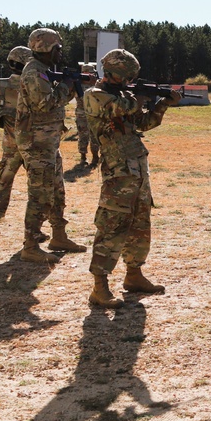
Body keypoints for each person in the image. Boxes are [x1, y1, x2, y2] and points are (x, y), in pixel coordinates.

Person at [84, 48, 183, 309]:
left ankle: (134, 274)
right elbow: (121, 108)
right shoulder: (95, 95)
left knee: (140, 223)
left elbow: (143, 123)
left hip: (137, 169)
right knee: (112, 224)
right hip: (117, 172)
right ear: (116, 74)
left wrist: (163, 104)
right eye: (127, 77)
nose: (129, 82)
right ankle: (99, 286)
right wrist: (140, 96)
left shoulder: (126, 95)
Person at [15, 28, 87, 263]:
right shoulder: (34, 72)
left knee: (56, 191)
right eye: (57, 48)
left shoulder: (44, 71)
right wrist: (67, 86)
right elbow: (46, 103)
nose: (60, 52)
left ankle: (59, 236)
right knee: (40, 194)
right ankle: (31, 245)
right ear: (46, 48)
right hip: (36, 144)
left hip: (47, 143)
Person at [0, 46, 33, 248]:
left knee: (2, 185)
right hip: (32, 145)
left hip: (10, 145)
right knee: (39, 190)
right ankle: (35, 231)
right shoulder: (33, 85)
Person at [75, 64, 99, 167]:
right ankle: (83, 157)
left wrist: (95, 84)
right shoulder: (77, 85)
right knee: (83, 136)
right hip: (82, 115)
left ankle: (95, 157)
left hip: (94, 115)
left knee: (94, 137)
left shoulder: (96, 85)